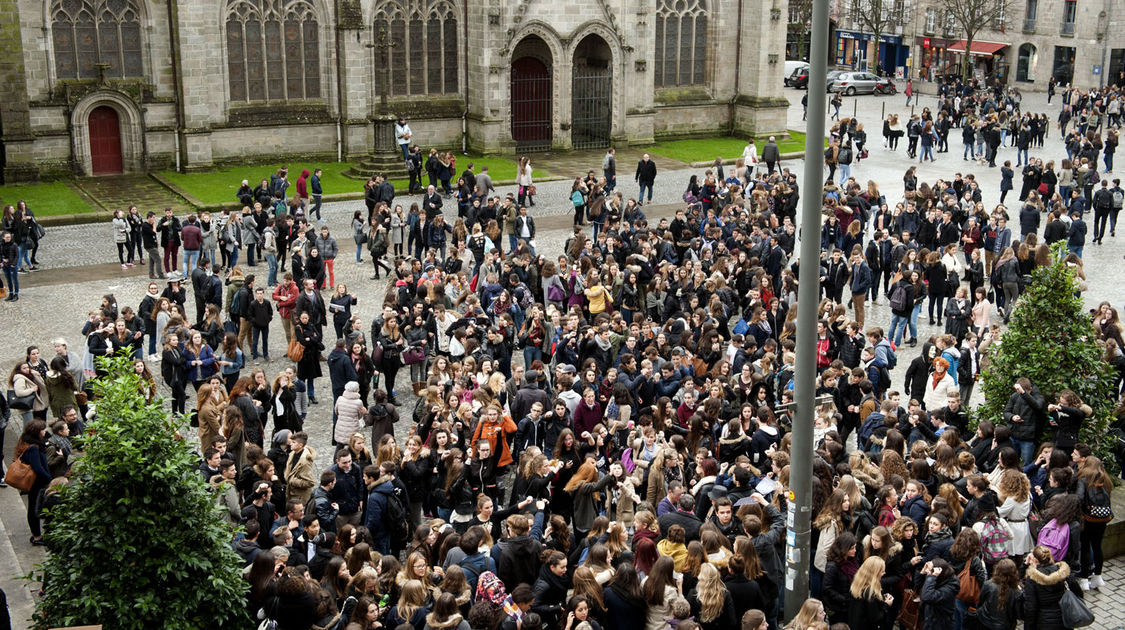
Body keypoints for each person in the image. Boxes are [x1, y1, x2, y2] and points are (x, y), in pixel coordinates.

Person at [1024, 545, 1083, 630]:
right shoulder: (1063, 572)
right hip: (1064, 620)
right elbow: (1078, 593)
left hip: (1044, 623)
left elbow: (1030, 608)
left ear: (1036, 560)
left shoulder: (1032, 579)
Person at [16, 419, 51, 546]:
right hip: (36, 484)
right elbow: (38, 468)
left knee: (34, 507)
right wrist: (48, 478)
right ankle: (36, 536)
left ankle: (37, 535)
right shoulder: (33, 448)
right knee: (34, 509)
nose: (45, 431)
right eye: (43, 429)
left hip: (36, 483)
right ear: (37, 432)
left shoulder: (28, 441)